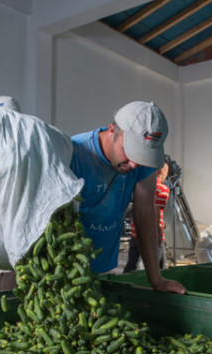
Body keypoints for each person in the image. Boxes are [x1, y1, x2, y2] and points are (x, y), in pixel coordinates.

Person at [70, 101, 186, 294]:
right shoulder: (75, 152)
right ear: (111, 131)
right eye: (129, 151)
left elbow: (144, 214)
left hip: (102, 263)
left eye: (141, 157)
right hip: (64, 266)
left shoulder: (142, 164)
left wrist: (156, 279)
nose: (133, 165)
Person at [123, 162, 170, 273]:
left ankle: (124, 281)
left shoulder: (140, 186)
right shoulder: (162, 189)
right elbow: (155, 211)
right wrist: (158, 232)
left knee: (131, 265)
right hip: (152, 235)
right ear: (162, 171)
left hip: (136, 234)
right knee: (158, 268)